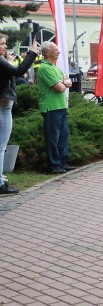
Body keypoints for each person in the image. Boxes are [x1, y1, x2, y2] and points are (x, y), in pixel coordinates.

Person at [0, 37, 38, 193]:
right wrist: (32, 53)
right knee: (1, 148)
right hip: (2, 109)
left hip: (4, 107)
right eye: (2, 43)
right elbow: (19, 71)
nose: (5, 46)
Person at [37, 41, 75, 174]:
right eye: (56, 50)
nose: (58, 52)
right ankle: (54, 165)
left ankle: (62, 162)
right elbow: (59, 88)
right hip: (50, 108)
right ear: (47, 52)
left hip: (60, 107)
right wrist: (64, 82)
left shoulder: (55, 67)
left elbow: (69, 82)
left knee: (63, 135)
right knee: (53, 138)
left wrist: (64, 82)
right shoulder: (44, 68)